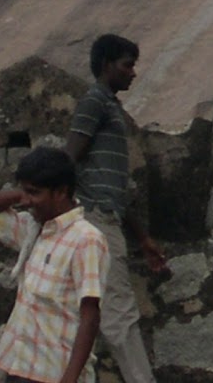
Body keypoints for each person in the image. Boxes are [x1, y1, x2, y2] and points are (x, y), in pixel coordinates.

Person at [63, 34, 166, 383]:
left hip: (104, 216)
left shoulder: (108, 106)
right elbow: (69, 159)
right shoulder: (95, 101)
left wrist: (143, 239)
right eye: (127, 65)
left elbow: (115, 188)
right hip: (96, 220)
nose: (133, 73)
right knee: (119, 313)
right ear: (107, 65)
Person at [0, 146, 107, 383]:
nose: (28, 202)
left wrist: (70, 378)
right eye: (26, 192)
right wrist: (21, 194)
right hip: (21, 367)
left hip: (54, 372)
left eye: (35, 193)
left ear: (61, 192)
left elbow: (90, 314)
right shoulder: (32, 229)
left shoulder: (86, 239)